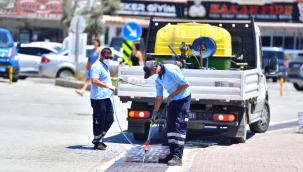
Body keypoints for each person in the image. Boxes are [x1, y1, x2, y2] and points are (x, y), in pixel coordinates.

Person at [143, 61, 191, 166]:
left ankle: (178, 157)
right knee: (170, 127)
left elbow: (186, 84)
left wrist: (173, 94)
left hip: (183, 99)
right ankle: (172, 154)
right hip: (173, 100)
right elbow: (159, 96)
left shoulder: (170, 70)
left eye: (150, 74)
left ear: (155, 69)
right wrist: (154, 113)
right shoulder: (158, 78)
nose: (151, 77)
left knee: (179, 127)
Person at [90, 47, 124, 150]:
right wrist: (108, 86)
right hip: (98, 98)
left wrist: (115, 79)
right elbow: (95, 81)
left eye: (110, 57)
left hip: (106, 97)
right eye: (107, 57)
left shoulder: (104, 65)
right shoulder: (96, 66)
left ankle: (99, 138)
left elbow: (104, 78)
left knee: (110, 119)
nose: (108, 59)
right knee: (99, 120)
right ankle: (97, 141)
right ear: (102, 55)